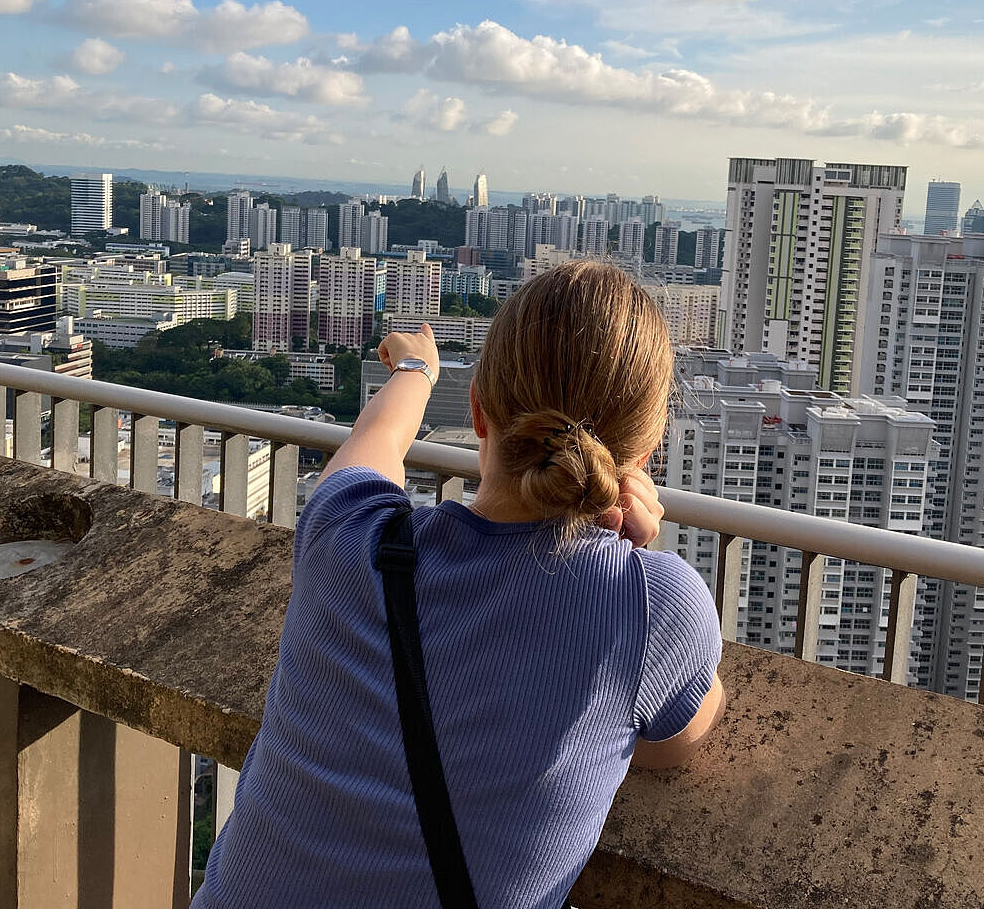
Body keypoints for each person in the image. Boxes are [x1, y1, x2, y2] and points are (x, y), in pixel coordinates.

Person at [194, 261, 725, 908]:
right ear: (647, 451)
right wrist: (637, 557)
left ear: (478, 410)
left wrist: (416, 371)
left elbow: (374, 443)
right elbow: (673, 741)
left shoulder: (347, 538)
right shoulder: (653, 605)